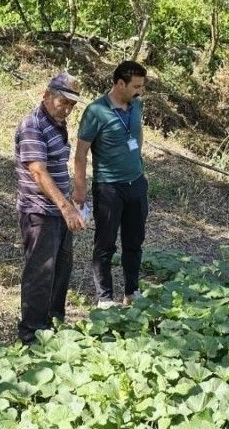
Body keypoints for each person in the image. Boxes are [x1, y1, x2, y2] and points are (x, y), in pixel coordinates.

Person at [14, 71, 87, 344]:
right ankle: (31, 334)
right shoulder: (32, 125)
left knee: (61, 269)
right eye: (62, 102)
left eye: (71, 105)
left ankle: (53, 323)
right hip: (40, 211)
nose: (67, 109)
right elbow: (38, 172)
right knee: (40, 273)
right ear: (46, 95)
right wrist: (66, 207)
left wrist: (70, 204)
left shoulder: (56, 123)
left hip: (59, 209)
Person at [73, 60, 148, 308]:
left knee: (134, 241)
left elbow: (137, 135)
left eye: (141, 86)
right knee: (105, 243)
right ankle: (104, 298)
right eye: (135, 86)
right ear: (119, 84)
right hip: (109, 187)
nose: (139, 91)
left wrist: (137, 162)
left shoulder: (136, 105)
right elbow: (81, 152)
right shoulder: (96, 111)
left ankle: (132, 291)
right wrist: (80, 188)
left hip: (136, 184)